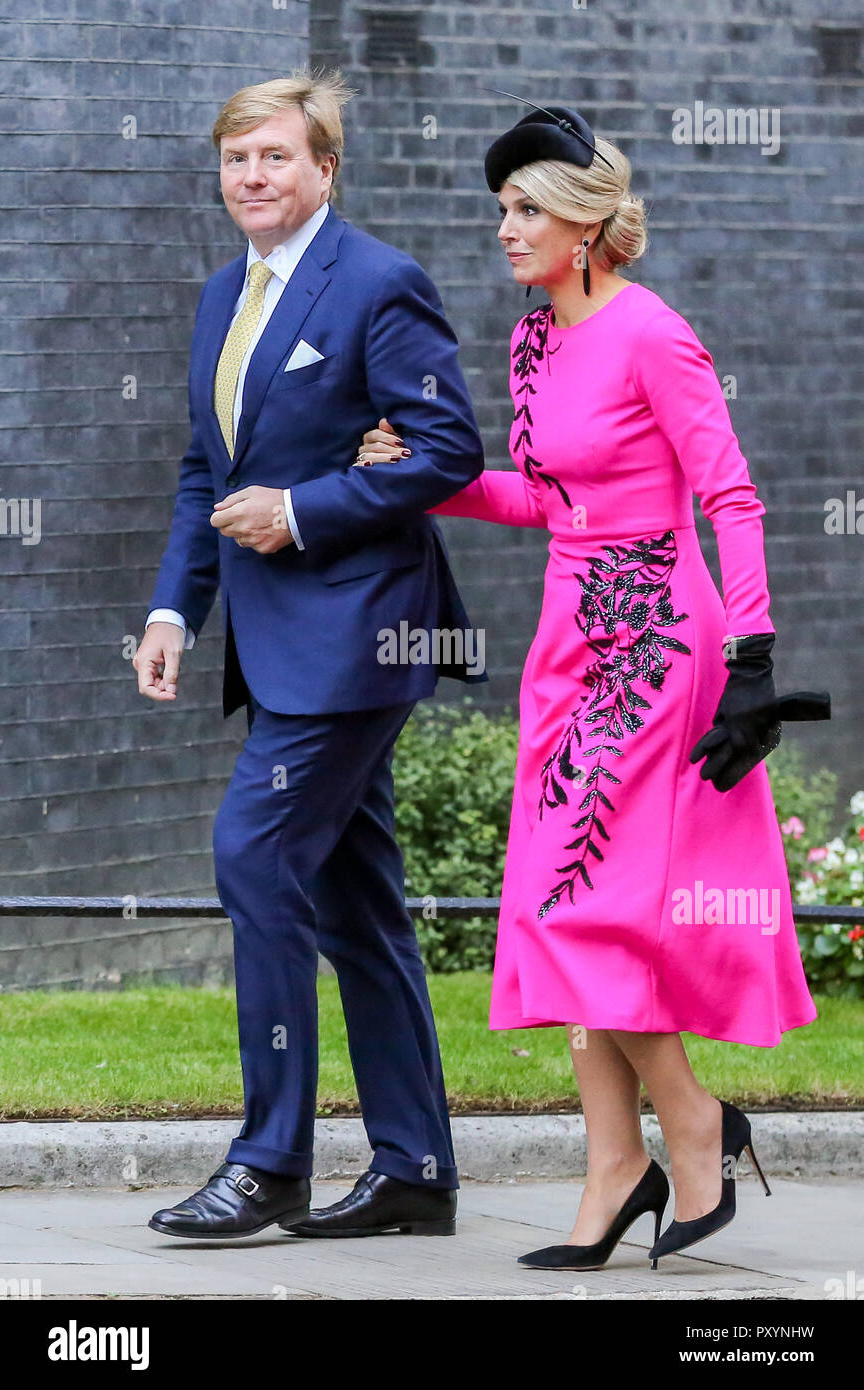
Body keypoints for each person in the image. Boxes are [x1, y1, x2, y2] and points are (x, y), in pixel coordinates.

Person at [357, 100, 829, 1269]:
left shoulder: (652, 334)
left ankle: (688, 1126)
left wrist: (751, 664)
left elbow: (731, 497)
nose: (503, 229)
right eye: (499, 209)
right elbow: (545, 498)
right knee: (550, 909)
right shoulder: (532, 339)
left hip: (658, 645)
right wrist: (427, 477)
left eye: (524, 209)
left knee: (586, 908)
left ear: (583, 223)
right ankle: (618, 1159)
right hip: (567, 647)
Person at [133, 71, 486, 1241]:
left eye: (276, 158)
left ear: (324, 169)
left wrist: (305, 507)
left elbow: (442, 446)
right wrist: (174, 614)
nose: (253, 178)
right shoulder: (221, 296)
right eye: (237, 161)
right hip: (278, 642)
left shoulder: (379, 281)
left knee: (252, 850)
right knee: (357, 900)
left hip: (359, 633)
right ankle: (416, 1172)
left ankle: (272, 1159)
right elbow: (205, 471)